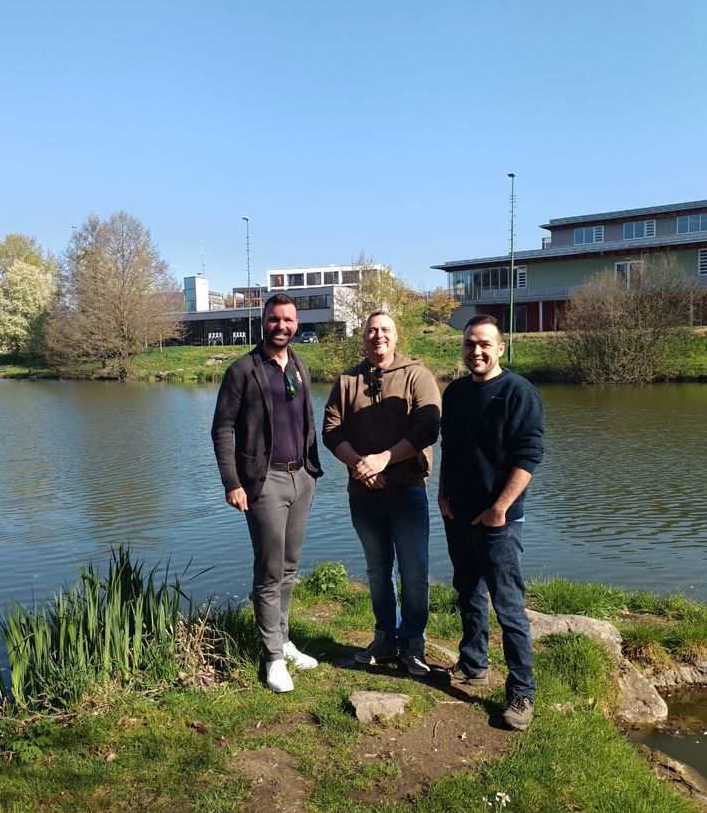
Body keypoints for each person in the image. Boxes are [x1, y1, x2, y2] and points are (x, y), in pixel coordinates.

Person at [211, 294, 323, 693]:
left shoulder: (297, 365)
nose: (282, 326)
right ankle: (273, 658)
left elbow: (305, 420)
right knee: (269, 570)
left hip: (301, 478)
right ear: (263, 322)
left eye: (288, 320)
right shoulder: (243, 370)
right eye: (274, 319)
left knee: (290, 567)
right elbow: (222, 429)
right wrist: (233, 483)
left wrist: (311, 470)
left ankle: (284, 639)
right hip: (263, 482)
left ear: (297, 324)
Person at [439, 314, 544, 731]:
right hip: (459, 513)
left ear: (501, 347)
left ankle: (522, 691)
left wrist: (500, 508)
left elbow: (529, 455)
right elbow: (449, 446)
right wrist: (444, 495)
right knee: (467, 591)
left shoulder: (520, 392)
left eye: (484, 344)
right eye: (469, 344)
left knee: (508, 605)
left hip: (500, 518)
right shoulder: (457, 392)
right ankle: (474, 664)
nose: (476, 351)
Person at [323, 311, 440, 675]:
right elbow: (331, 430)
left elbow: (428, 427)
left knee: (414, 569)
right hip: (363, 495)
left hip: (407, 491)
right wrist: (361, 465)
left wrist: (383, 460)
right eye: (372, 330)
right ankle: (385, 637)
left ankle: (413, 641)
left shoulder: (416, 375)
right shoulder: (346, 381)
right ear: (363, 337)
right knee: (377, 569)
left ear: (397, 335)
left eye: (385, 329)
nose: (378, 336)